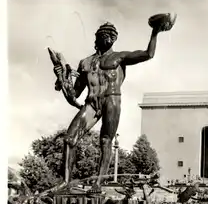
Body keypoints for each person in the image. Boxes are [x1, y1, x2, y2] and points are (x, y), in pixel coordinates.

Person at [53, 16, 175, 194]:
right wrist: (62, 79)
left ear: (115, 38)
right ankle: (66, 183)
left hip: (112, 100)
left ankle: (98, 183)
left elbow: (148, 54)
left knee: (105, 141)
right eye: (105, 33)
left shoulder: (120, 57)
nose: (109, 36)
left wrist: (155, 32)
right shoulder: (85, 63)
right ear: (97, 38)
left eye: (112, 34)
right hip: (92, 103)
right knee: (69, 139)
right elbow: (74, 94)